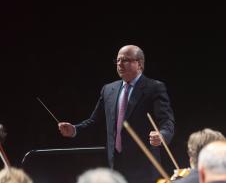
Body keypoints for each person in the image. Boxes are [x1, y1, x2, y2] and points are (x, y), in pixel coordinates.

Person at [58, 45, 175, 183]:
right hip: (115, 165)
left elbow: (167, 121)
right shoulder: (108, 89)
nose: (120, 64)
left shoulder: (154, 88)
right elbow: (95, 121)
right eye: (118, 60)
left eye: (125, 60)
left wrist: (161, 136)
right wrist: (75, 129)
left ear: (140, 64)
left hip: (144, 168)